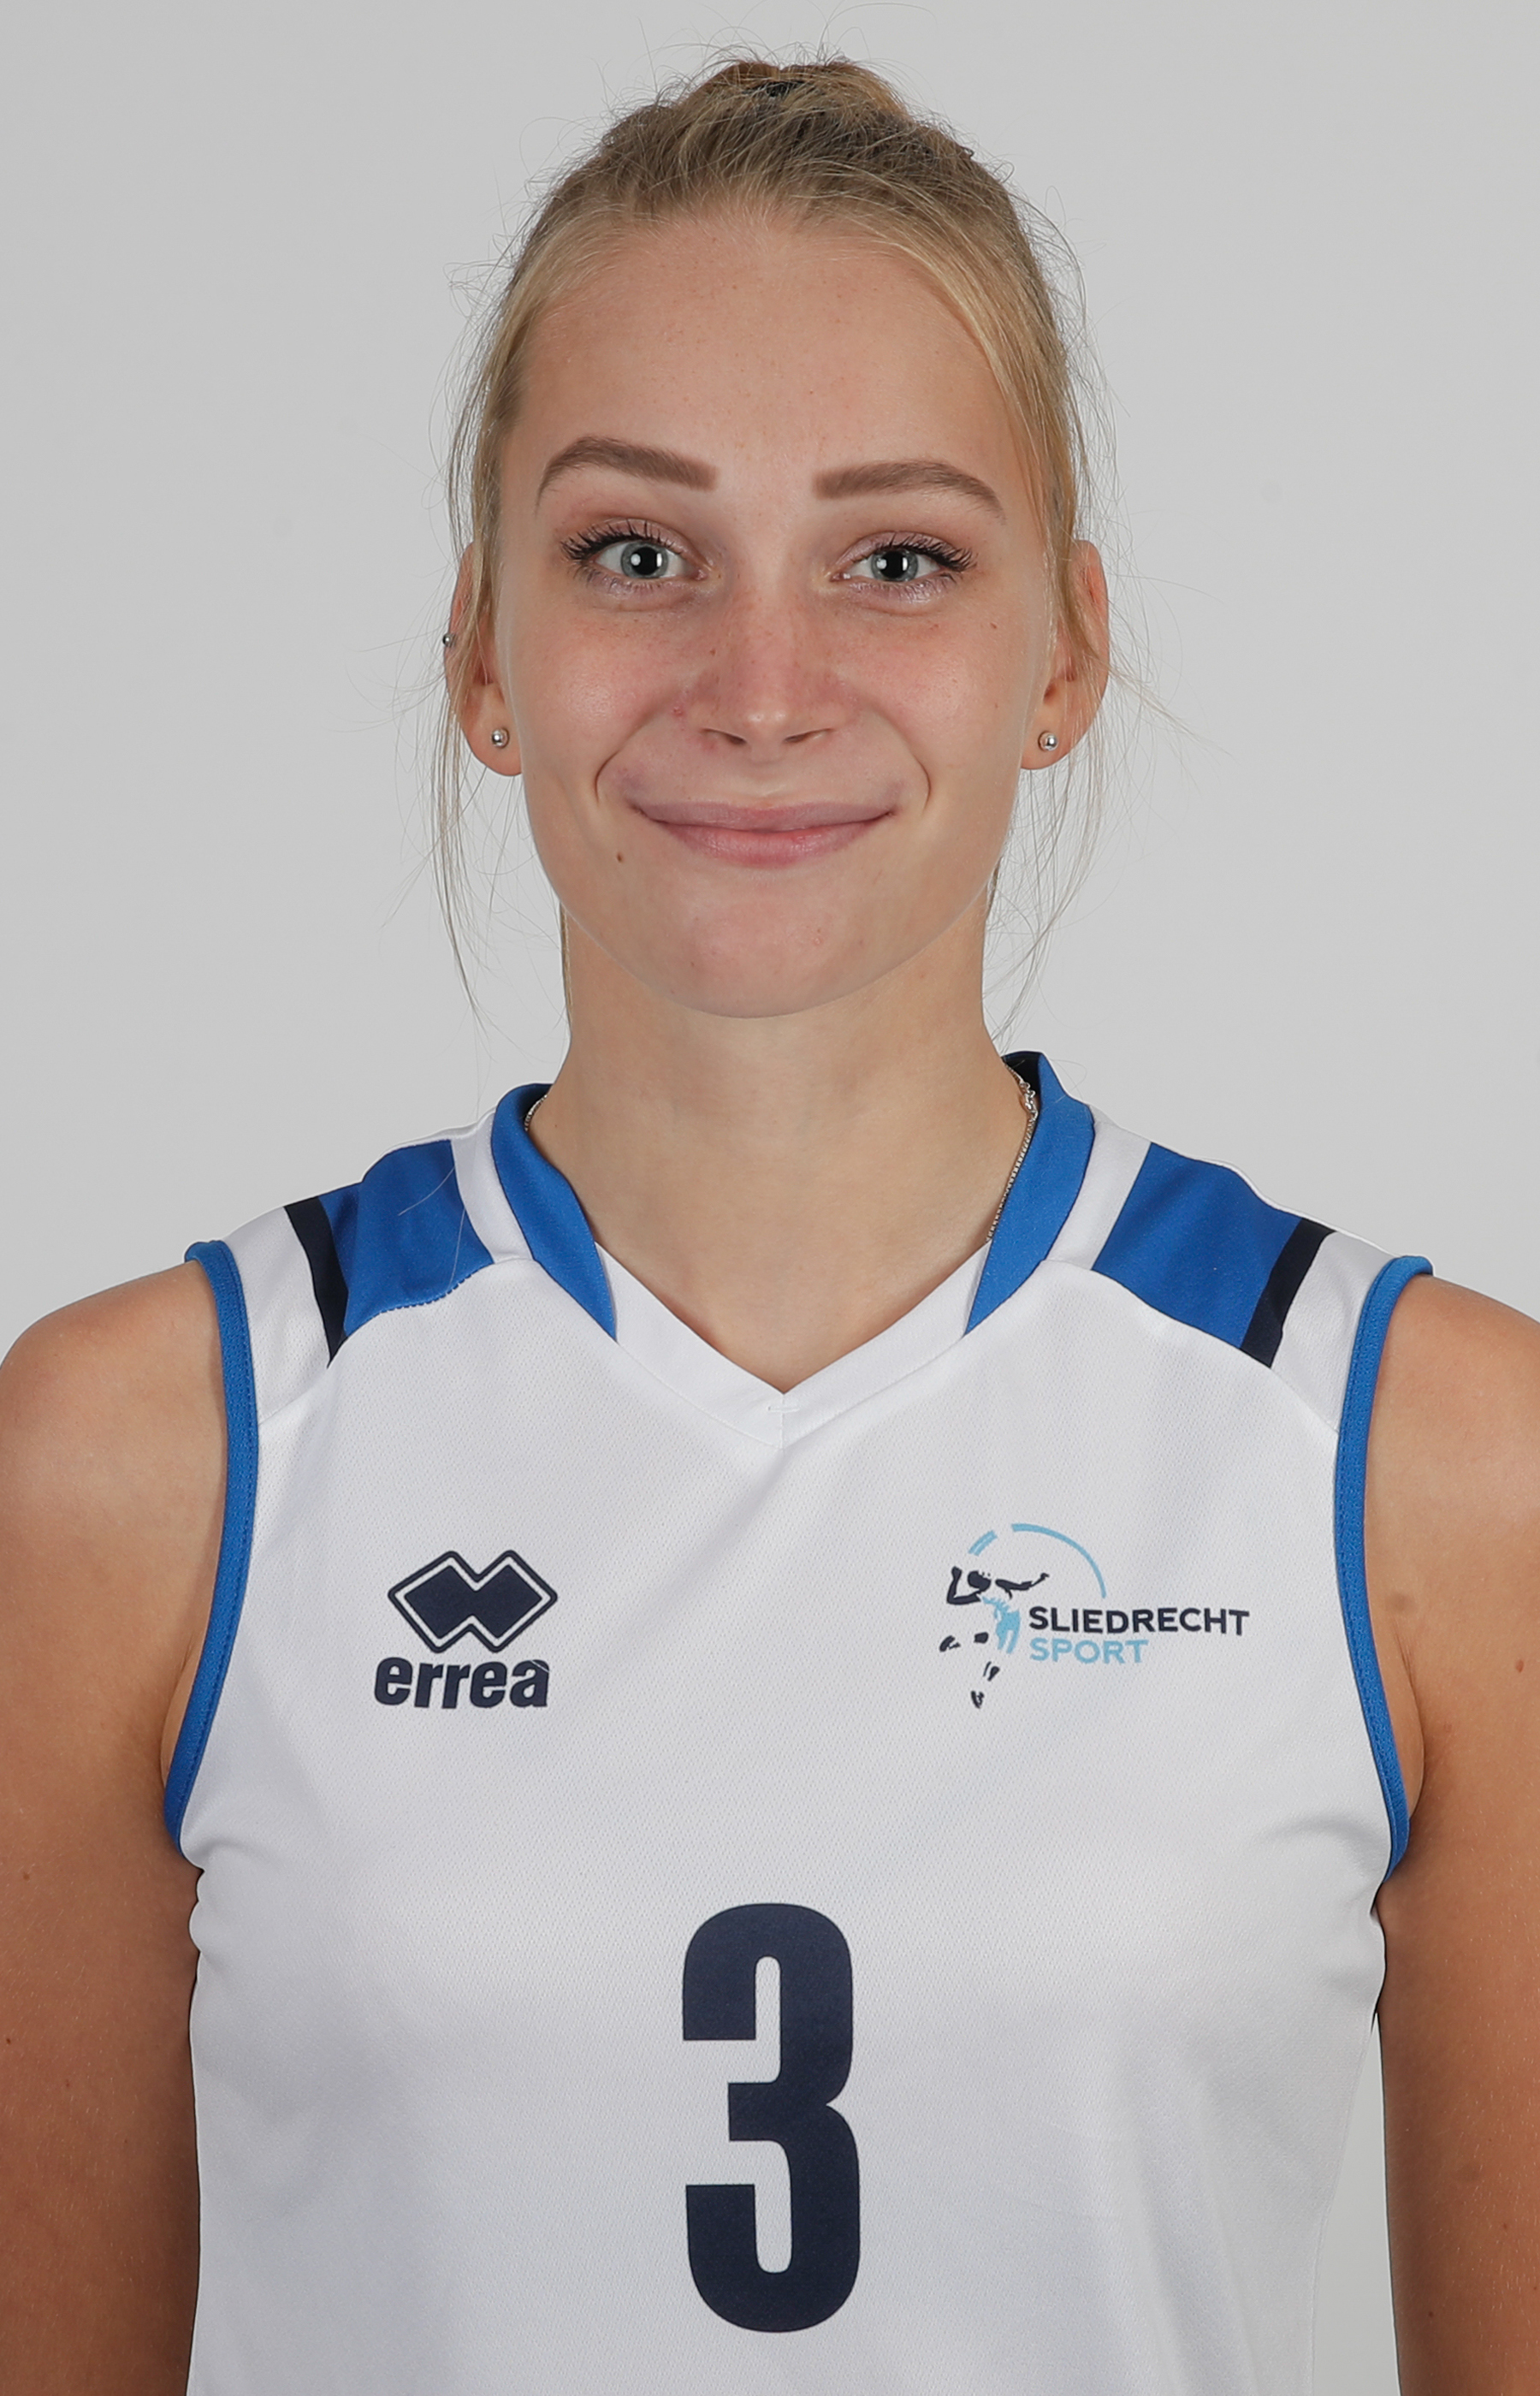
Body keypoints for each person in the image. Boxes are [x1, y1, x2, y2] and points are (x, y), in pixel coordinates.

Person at [1, 54, 1537, 2396]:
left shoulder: (1429, 1463)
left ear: (1063, 654)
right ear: (481, 652)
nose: (760, 687)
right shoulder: (152, 1463)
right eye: (639, 553)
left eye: (895, 558)